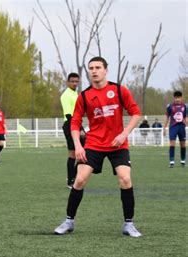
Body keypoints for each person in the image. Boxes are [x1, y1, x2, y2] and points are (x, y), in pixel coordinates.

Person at [54, 56, 143, 238]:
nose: (94, 71)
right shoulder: (84, 96)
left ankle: (129, 224)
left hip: (118, 144)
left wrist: (124, 134)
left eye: (97, 67)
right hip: (94, 144)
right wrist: (78, 145)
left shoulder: (119, 90)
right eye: (91, 68)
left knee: (125, 179)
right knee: (79, 180)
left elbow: (136, 113)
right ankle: (69, 221)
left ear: (105, 70)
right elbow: (74, 122)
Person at [61, 72, 85, 188]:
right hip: (70, 124)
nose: (75, 83)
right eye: (72, 81)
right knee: (73, 154)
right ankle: (70, 180)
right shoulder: (66, 95)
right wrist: (78, 129)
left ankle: (73, 175)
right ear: (68, 82)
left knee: (85, 151)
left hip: (77, 124)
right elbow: (69, 114)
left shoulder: (75, 94)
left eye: (76, 81)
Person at [163, 91, 187, 167]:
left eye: (179, 98)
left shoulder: (185, 106)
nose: (177, 99)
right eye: (176, 98)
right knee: (172, 143)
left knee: (183, 144)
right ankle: (172, 162)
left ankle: (183, 161)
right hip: (173, 127)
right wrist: (164, 127)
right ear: (174, 98)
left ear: (181, 98)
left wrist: (186, 120)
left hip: (181, 127)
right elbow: (167, 117)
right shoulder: (170, 106)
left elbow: (186, 116)